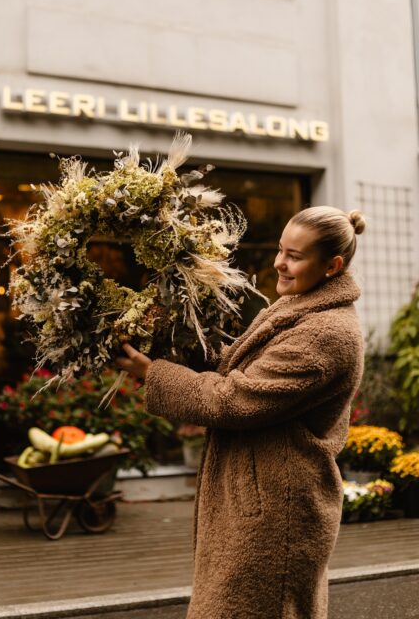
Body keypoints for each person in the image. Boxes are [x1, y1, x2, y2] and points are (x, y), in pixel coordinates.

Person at [117, 206, 366, 619]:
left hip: (275, 512)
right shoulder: (298, 306)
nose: (279, 263)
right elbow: (235, 367)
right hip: (256, 497)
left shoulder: (328, 335)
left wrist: (154, 373)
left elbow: (233, 400)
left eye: (295, 255)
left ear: (332, 266)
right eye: (280, 249)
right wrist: (167, 340)